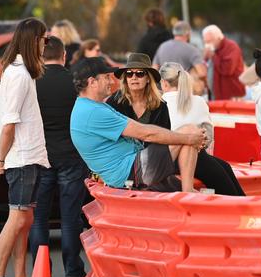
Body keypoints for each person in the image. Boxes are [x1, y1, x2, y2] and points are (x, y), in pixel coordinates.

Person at [0, 18, 50, 277]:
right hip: (21, 158)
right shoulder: (19, 75)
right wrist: (1, 158)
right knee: (18, 220)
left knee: (24, 222)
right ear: (33, 39)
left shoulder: (22, 72)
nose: (45, 44)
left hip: (28, 156)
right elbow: (9, 124)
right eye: (44, 39)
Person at [70, 56, 206, 193]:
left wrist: (190, 138)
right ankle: (188, 194)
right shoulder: (95, 111)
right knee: (190, 131)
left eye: (139, 73)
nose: (111, 81)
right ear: (92, 82)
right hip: (130, 174)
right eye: (106, 77)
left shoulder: (93, 106)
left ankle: (189, 193)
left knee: (191, 135)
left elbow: (145, 132)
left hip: (133, 166)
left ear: (148, 79)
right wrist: (190, 139)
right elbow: (146, 133)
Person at [29, 36, 87, 277]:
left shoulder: (32, 83)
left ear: (40, 56)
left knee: (39, 217)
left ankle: (41, 269)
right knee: (70, 217)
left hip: (40, 155)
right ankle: (73, 269)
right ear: (64, 56)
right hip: (71, 156)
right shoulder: (74, 83)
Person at [159, 62, 245, 195]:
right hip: (195, 156)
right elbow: (209, 138)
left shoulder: (157, 103)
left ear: (164, 83)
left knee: (223, 167)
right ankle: (243, 208)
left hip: (168, 158)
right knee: (224, 172)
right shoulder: (198, 101)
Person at [152, 21, 207, 94]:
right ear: (188, 33)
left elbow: (154, 70)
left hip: (166, 91)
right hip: (185, 92)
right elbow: (202, 73)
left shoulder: (162, 47)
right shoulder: (192, 49)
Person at [202, 24, 245, 100]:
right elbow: (204, 69)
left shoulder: (231, 47)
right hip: (214, 95)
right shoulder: (212, 50)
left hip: (231, 96)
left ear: (218, 38)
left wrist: (213, 56)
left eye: (209, 41)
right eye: (205, 42)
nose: (207, 45)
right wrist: (205, 58)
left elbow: (228, 69)